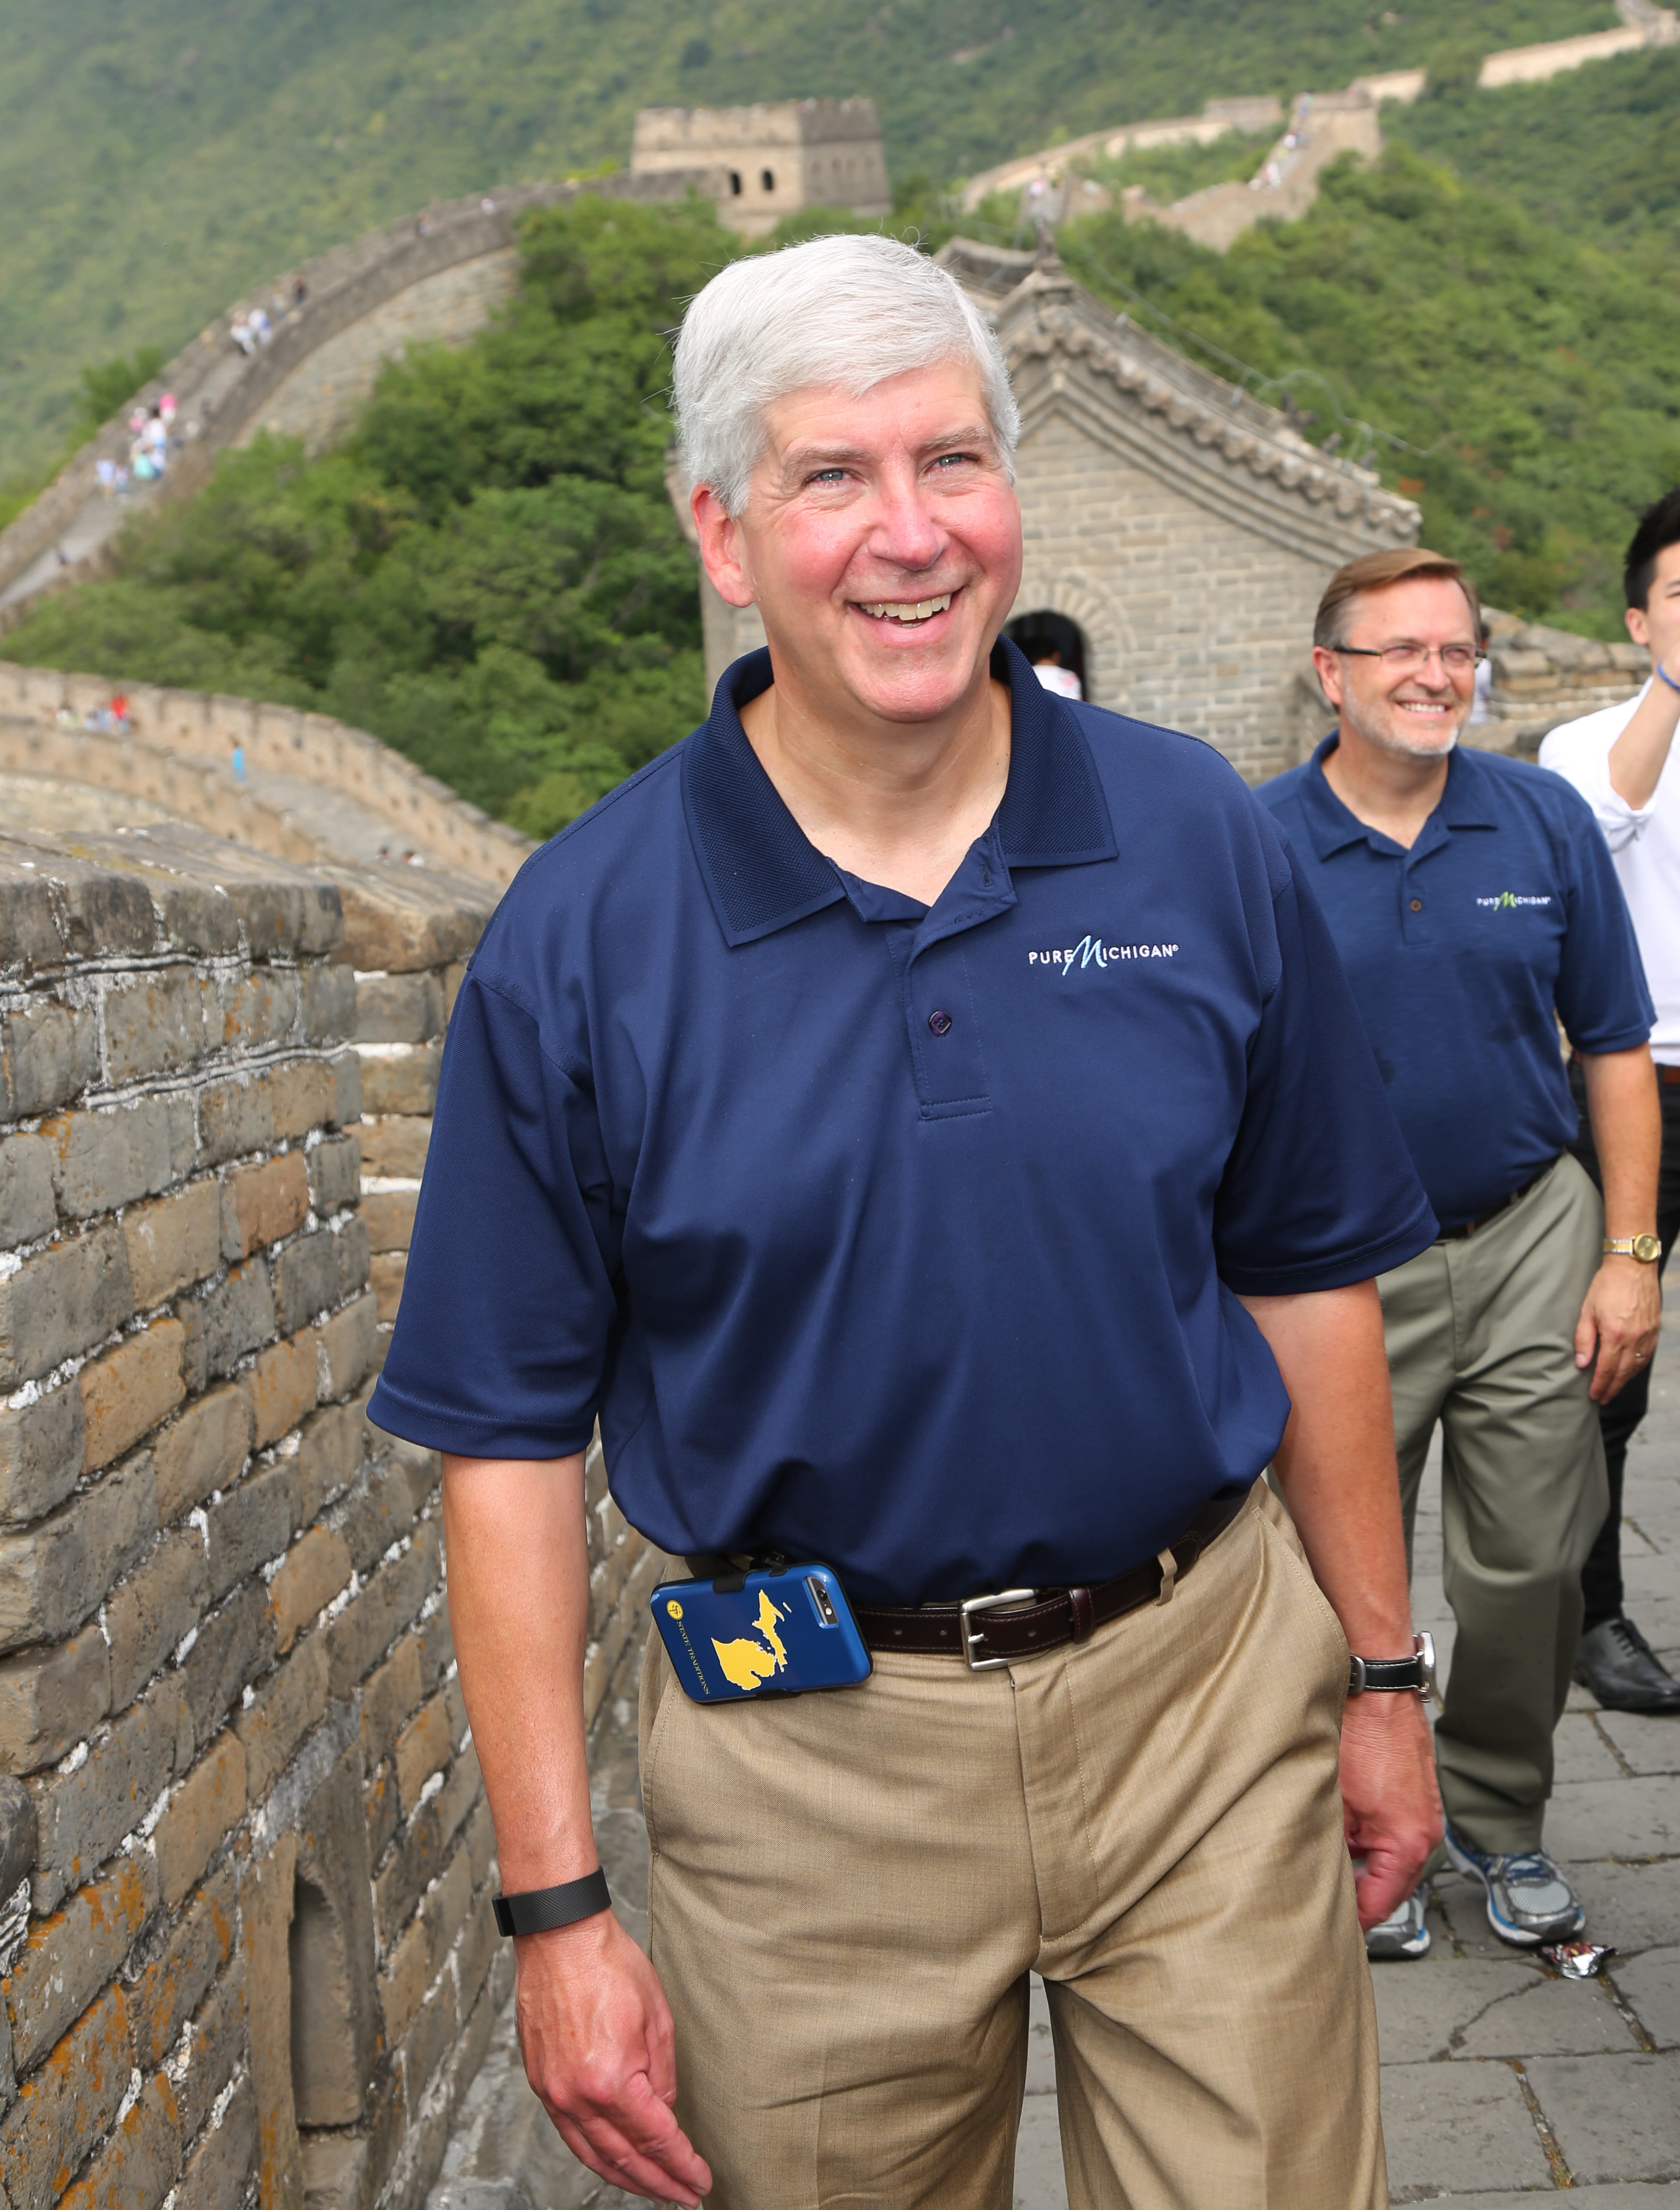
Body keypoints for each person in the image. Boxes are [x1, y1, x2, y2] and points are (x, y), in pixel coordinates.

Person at [369, 234, 1442, 2210]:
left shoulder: (1197, 834)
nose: (909, 536)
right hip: (811, 1767)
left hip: (1199, 1696)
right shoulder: (587, 941)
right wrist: (556, 1909)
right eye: (831, 477)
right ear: (723, 531)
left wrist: (1379, 1680)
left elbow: (1306, 1281)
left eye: (952, 462)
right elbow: (507, 1442)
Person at [1260, 549, 1660, 1961]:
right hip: (1331, 1273)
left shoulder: (1539, 821)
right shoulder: (1256, 848)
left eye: (1458, 650)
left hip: (1526, 1235)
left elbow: (1615, 1044)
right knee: (1325, 1582)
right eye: (1401, 651)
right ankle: (1364, 1831)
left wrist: (1633, 1253)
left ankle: (1499, 1820)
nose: (1437, 675)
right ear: (1333, 674)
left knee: (1530, 1569)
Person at [1540, 495, 1680, 1713]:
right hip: (1642, 1086)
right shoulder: (1580, 748)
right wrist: (1676, 692)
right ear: (1640, 620)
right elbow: (1608, 824)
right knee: (1609, 1368)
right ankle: (1595, 1615)